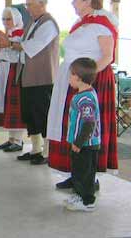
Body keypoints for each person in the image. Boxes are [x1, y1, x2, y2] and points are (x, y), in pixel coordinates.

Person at [47, 0, 118, 189]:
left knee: (85, 128)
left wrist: (85, 78)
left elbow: (107, 56)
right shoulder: (81, 23)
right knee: (72, 125)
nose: (72, 2)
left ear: (88, 0)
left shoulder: (102, 23)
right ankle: (75, 173)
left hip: (88, 81)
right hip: (73, 80)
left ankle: (88, 177)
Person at [0, 0, 59, 165]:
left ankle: (47, 152)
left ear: (42, 4)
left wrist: (8, 43)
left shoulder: (48, 24)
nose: (27, 8)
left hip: (42, 77)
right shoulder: (33, 23)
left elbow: (34, 46)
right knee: (30, 114)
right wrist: (6, 42)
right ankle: (36, 149)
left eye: (30, 4)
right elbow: (23, 45)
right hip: (27, 75)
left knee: (42, 113)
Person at [0, 7, 26, 152]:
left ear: (16, 19)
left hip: (14, 70)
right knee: (6, 104)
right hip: (3, 69)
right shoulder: (7, 35)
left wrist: (6, 42)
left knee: (15, 106)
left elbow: (18, 55)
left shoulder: (20, 35)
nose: (6, 22)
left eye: (9, 19)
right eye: (4, 19)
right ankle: (11, 138)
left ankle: (18, 140)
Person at [63, 58, 100, 212]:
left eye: (70, 75)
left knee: (84, 174)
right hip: (82, 143)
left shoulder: (85, 98)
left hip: (85, 144)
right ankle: (79, 194)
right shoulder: (84, 94)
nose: (69, 78)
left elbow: (89, 123)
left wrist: (78, 143)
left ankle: (87, 201)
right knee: (79, 171)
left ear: (78, 77)